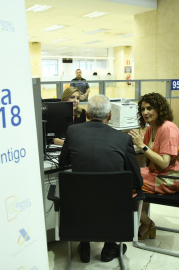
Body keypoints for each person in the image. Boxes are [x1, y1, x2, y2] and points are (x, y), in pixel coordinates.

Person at [59, 94, 143, 264]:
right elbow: (137, 180)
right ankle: (110, 247)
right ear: (110, 115)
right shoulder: (123, 139)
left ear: (87, 115)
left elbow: (63, 162)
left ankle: (84, 244)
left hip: (78, 208)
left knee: (86, 194)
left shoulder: (73, 132)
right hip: (112, 210)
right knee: (112, 195)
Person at [129, 92, 179, 240]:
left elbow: (164, 162)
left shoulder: (168, 129)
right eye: (142, 109)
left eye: (149, 108)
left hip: (168, 179)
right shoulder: (150, 128)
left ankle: (148, 223)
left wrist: (142, 147)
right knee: (126, 176)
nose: (145, 112)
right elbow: (146, 153)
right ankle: (141, 221)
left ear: (159, 109)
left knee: (123, 184)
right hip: (155, 174)